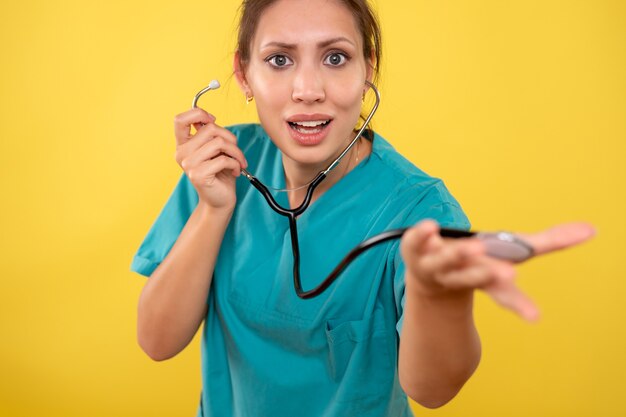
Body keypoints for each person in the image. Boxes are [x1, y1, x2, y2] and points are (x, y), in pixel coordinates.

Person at [130, 0, 594, 415]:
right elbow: (157, 341)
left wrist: (437, 298)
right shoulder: (220, 167)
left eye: (335, 58)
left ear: (367, 69)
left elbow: (433, 391)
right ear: (243, 74)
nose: (308, 89)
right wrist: (213, 211)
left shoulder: (418, 211)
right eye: (279, 59)